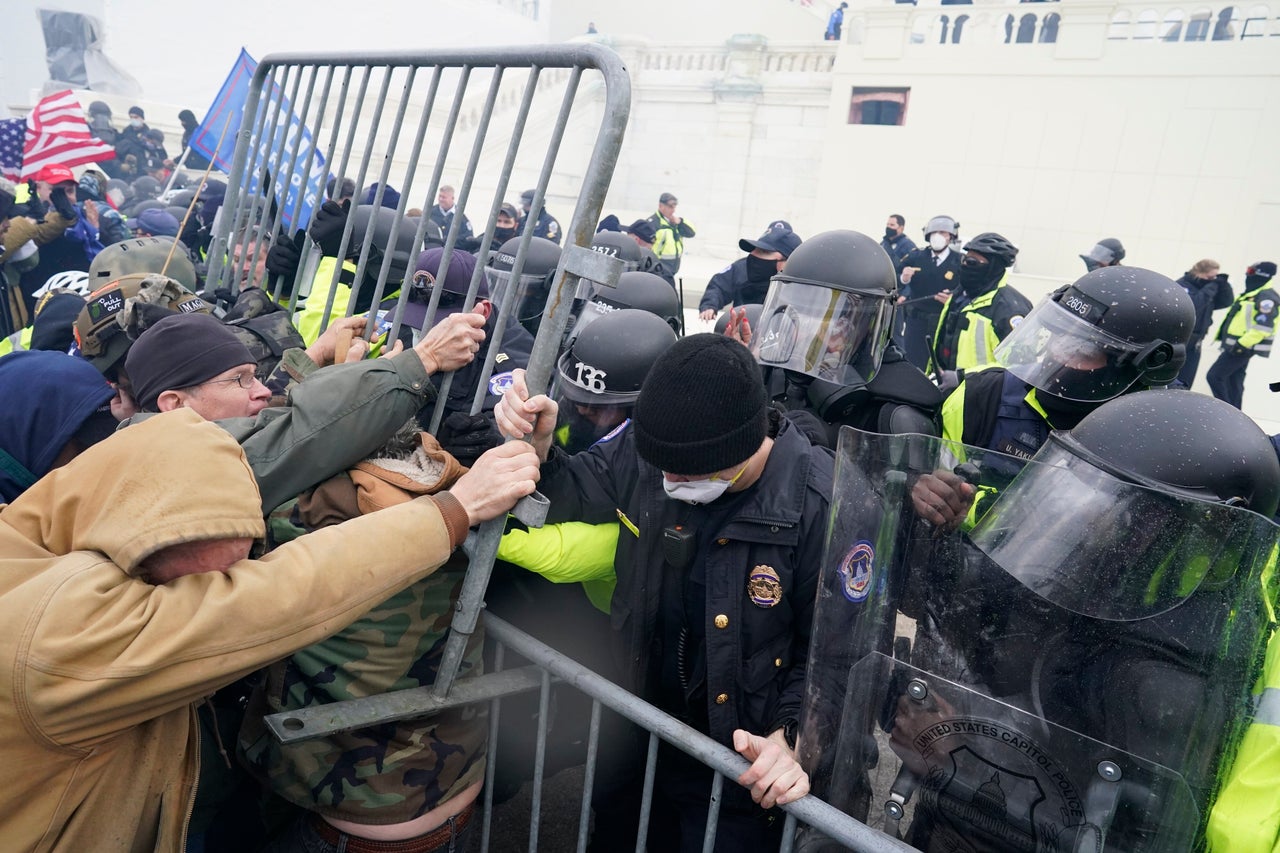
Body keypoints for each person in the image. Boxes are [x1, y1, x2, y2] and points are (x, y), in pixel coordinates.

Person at [0, 407, 539, 853]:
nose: (225, 579)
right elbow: (279, 594)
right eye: (211, 572)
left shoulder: (28, 536)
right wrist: (456, 507)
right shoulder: (54, 639)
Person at [800, 390, 1279, 850]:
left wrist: (963, 747)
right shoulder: (1087, 575)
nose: (1093, 520)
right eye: (1090, 495)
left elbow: (1133, 822)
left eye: (1125, 508)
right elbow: (971, 628)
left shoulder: (1180, 669)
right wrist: (935, 531)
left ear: (1203, 530)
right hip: (947, 824)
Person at [496, 334, 821, 851]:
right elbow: (577, 490)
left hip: (736, 763)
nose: (667, 479)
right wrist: (540, 452)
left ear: (739, 449)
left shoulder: (817, 505)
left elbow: (835, 653)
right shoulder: (648, 448)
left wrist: (793, 735)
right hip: (637, 732)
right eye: (659, 463)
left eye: (684, 471)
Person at [942, 265, 1194, 457]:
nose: (1059, 353)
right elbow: (935, 492)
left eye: (1083, 348)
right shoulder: (983, 395)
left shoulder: (1166, 439)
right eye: (1058, 333)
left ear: (1146, 366)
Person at [751, 229, 941, 447]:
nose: (805, 327)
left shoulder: (898, 416)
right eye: (799, 310)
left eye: (831, 317)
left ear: (869, 325)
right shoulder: (774, 375)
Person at [928, 231, 1031, 390]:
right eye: (964, 259)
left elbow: (1019, 368)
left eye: (972, 262)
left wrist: (963, 377)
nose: (964, 266)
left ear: (993, 267)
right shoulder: (959, 296)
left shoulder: (1009, 309)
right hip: (946, 392)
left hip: (980, 400)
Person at [1206, 260, 1278, 409]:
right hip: (1237, 346)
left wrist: (1241, 345)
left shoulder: (1266, 298)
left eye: (1251, 271)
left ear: (1261, 275)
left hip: (1242, 348)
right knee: (1234, 382)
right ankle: (1237, 416)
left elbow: (1262, 328)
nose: (1247, 275)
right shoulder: (1251, 295)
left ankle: (1226, 412)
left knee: (1215, 376)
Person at [698, 221, 802, 321]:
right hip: (739, 332)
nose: (753, 255)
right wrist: (710, 305)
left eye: (764, 251)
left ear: (787, 262)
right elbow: (719, 285)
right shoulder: (741, 267)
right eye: (754, 249)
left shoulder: (802, 289)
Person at [895, 214, 961, 371]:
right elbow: (893, 277)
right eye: (934, 232)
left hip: (943, 322)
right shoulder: (915, 256)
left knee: (938, 364)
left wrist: (952, 298)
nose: (938, 236)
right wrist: (903, 278)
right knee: (912, 363)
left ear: (951, 236)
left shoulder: (959, 261)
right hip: (916, 321)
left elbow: (967, 290)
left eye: (943, 233)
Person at [1174, 258, 1232, 387]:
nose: (1212, 281)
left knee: (1186, 381)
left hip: (1196, 341)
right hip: (1180, 339)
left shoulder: (1206, 289)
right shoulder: (1183, 286)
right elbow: (1194, 306)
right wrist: (1211, 287)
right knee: (1174, 378)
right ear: (1198, 273)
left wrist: (1223, 285)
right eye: (1210, 277)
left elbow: (1226, 301)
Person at [646, 192, 696, 275]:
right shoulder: (653, 223)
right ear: (661, 206)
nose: (673, 210)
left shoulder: (675, 222)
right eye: (670, 207)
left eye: (674, 207)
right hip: (658, 267)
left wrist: (680, 222)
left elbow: (691, 233)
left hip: (673, 267)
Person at [428, 184, 477, 249]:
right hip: (432, 250)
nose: (441, 199)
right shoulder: (430, 213)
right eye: (440, 196)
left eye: (444, 197)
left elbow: (468, 237)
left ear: (452, 198)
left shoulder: (461, 217)